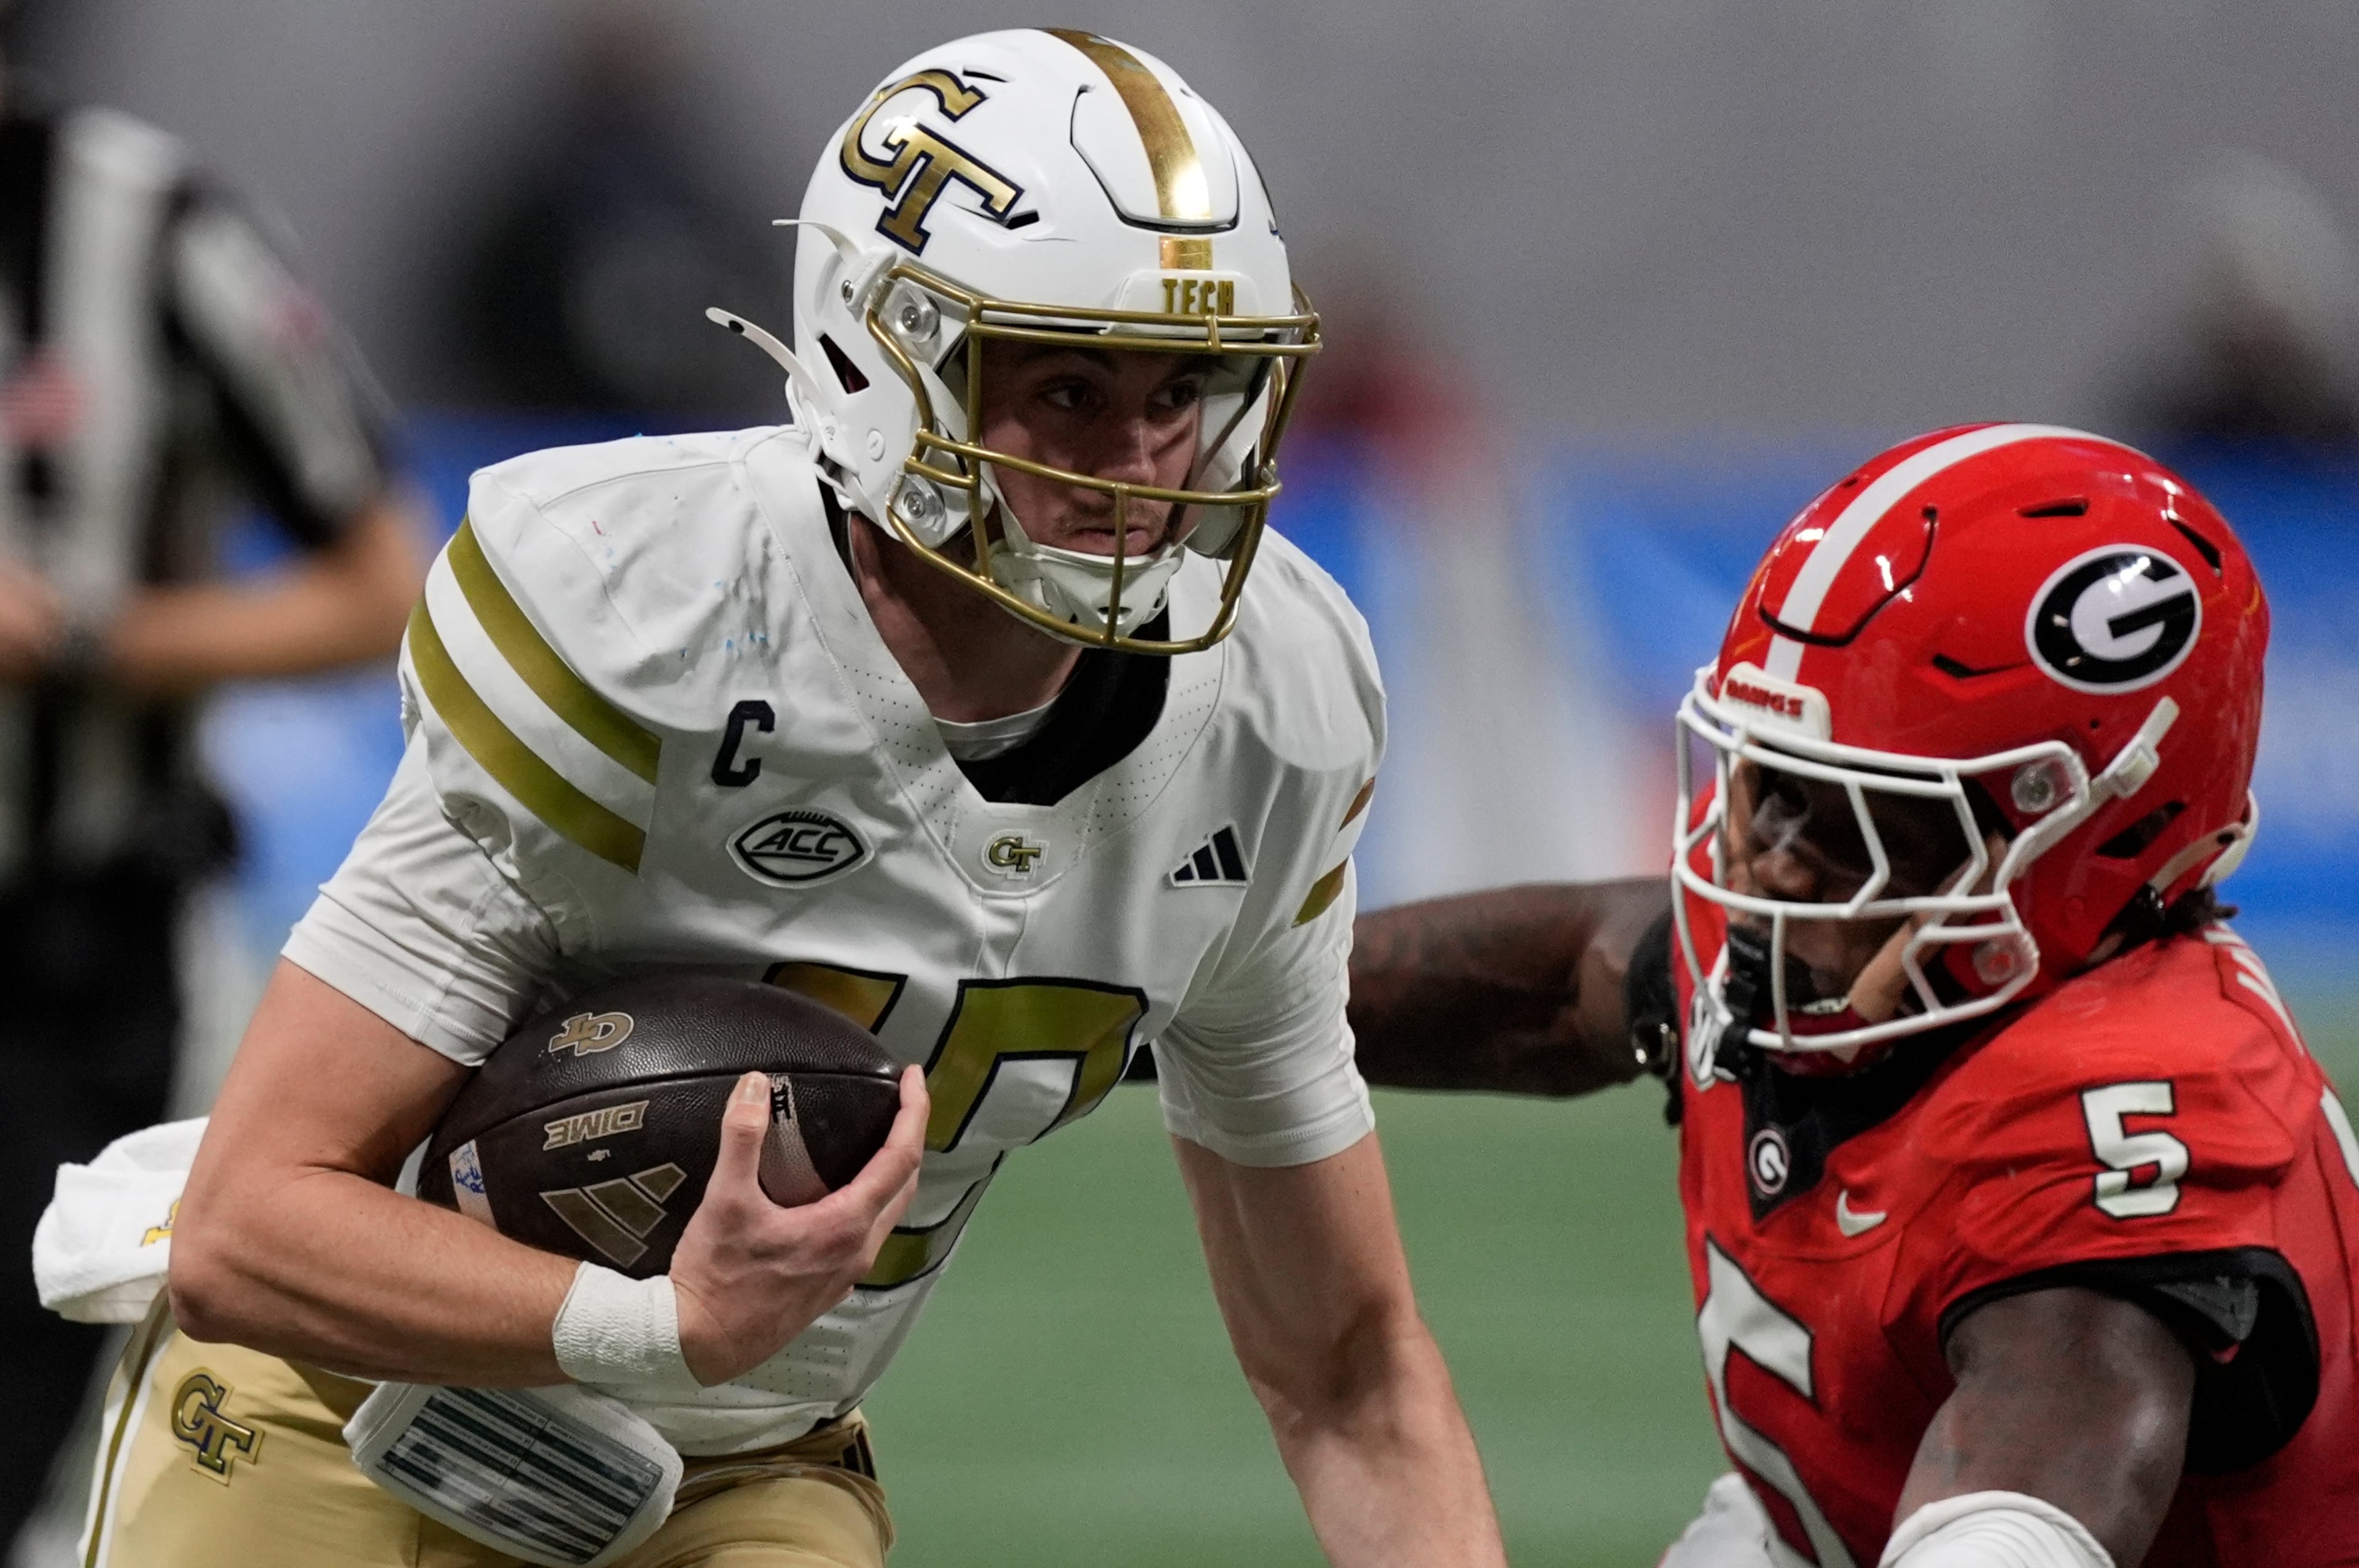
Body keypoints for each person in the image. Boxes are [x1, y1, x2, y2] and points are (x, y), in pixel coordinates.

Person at [94, 30, 1505, 1567]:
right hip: (354, 1402)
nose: (1146, 461)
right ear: (879, 360)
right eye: (1069, 387)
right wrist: (658, 1321)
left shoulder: (1271, 705)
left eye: (1185, 388)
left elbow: (1348, 1368)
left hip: (743, 1461)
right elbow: (248, 1221)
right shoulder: (648, 617)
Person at [1346, 424, 2359, 1566]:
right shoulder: (1839, 922)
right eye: (1776, 782)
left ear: (2084, 829)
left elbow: (2022, 1504)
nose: (1771, 863)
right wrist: (1232, 994)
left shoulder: (2126, 1108)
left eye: (1870, 815)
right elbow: (1564, 974)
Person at [0, 64, 420, 1551]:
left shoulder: (144, 223)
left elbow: (383, 583)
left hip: (62, 949)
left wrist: (83, 640)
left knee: (32, 1431)